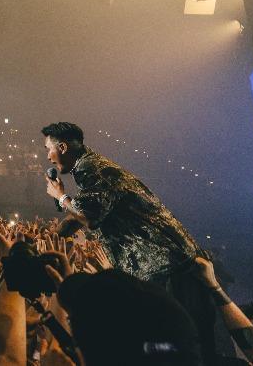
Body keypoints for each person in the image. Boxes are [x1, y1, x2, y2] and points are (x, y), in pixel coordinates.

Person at [41, 121, 215, 361]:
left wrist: (61, 196)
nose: (48, 157)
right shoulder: (92, 168)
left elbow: (88, 216)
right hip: (168, 269)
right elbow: (81, 215)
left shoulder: (92, 168)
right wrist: (51, 239)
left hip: (168, 270)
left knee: (174, 350)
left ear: (62, 147)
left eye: (48, 149)